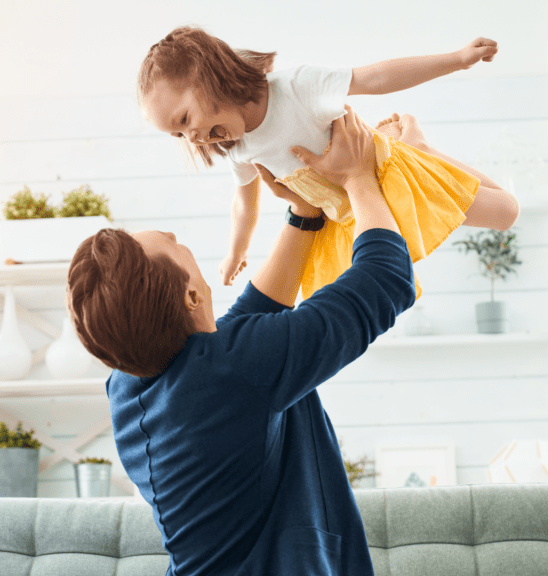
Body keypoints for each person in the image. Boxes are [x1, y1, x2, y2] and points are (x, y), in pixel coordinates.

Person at [66, 106, 411, 576]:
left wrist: (305, 214)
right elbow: (387, 280)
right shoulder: (232, 368)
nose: (176, 237)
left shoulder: (130, 382)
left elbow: (247, 323)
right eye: (174, 244)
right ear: (191, 293)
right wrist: (358, 178)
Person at [138, 25, 520, 298]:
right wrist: (236, 251)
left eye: (185, 120)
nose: (191, 138)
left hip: (387, 176)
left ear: (209, 76)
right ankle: (412, 144)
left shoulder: (295, 89)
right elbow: (244, 203)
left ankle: (418, 148)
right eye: (178, 135)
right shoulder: (238, 148)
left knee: (506, 213)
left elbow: (376, 77)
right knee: (368, 292)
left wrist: (456, 59)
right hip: (350, 213)